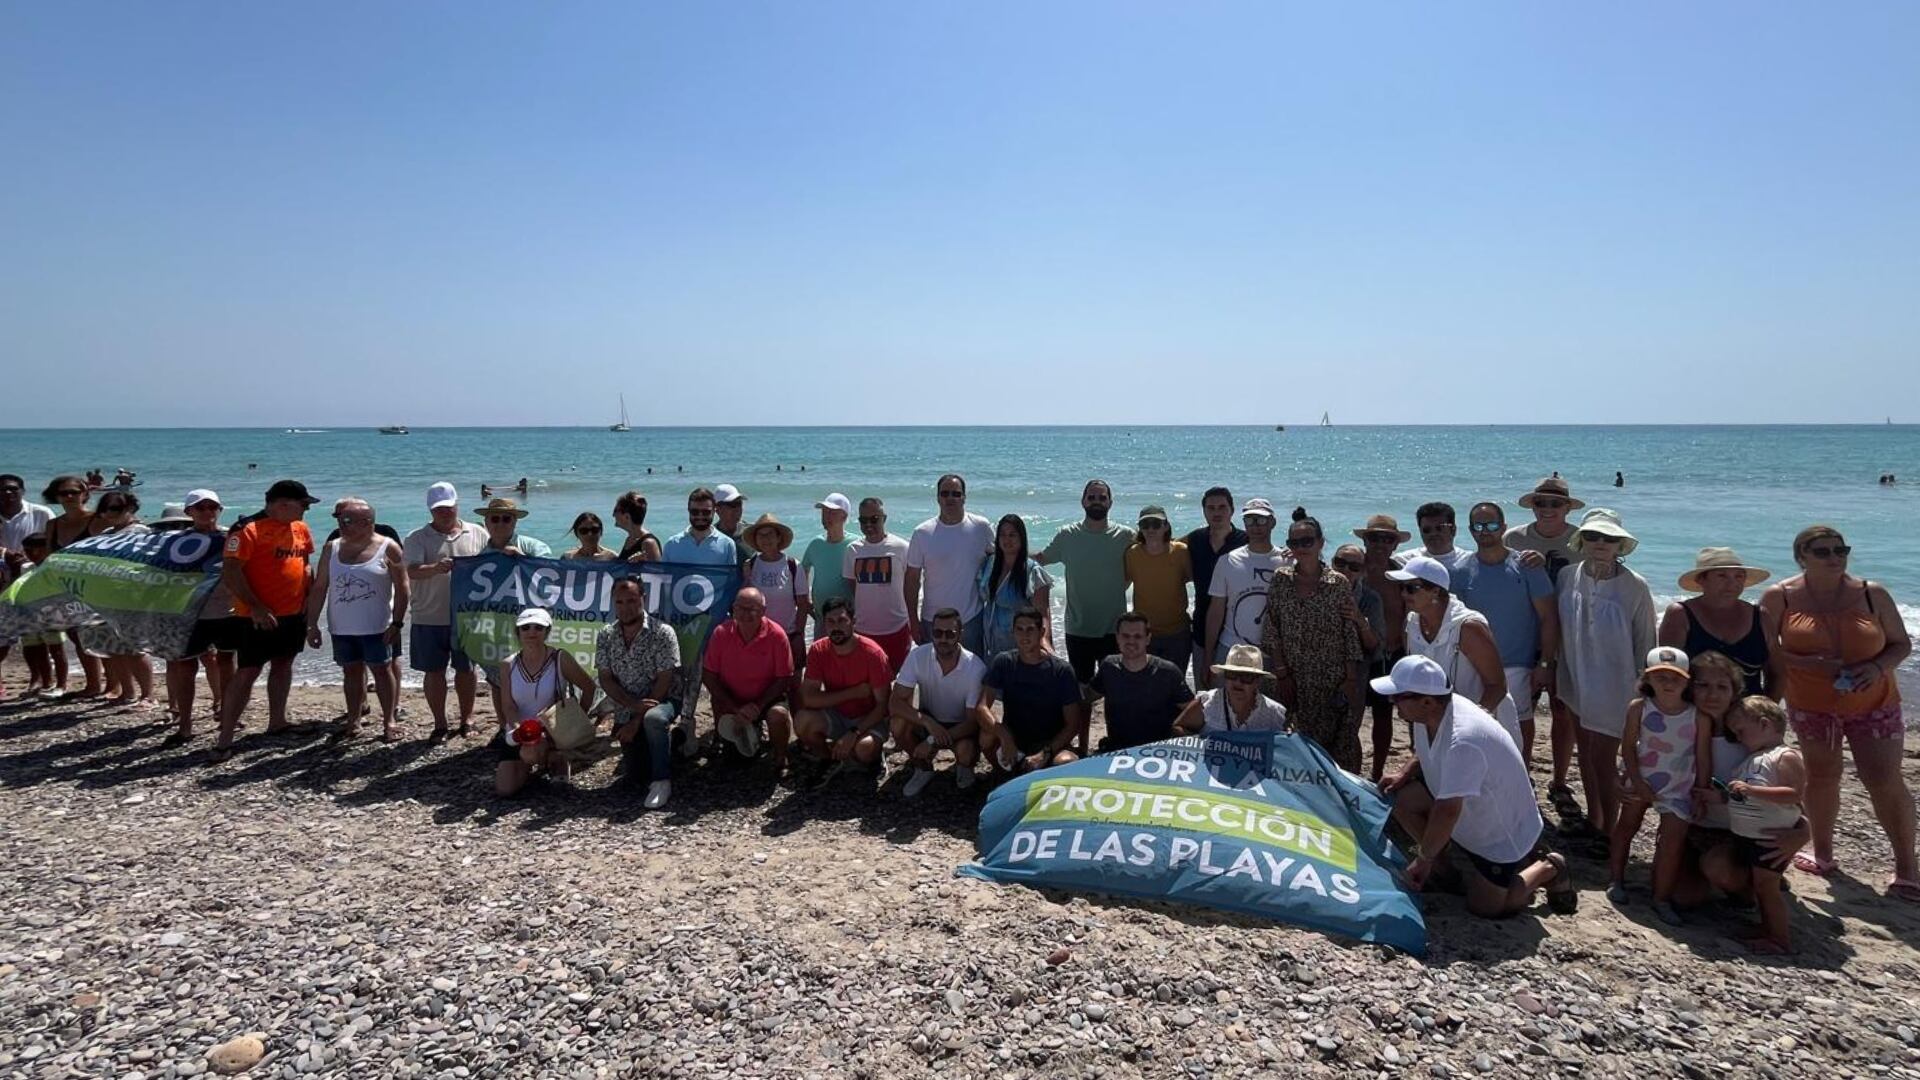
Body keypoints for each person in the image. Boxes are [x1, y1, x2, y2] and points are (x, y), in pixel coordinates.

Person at [1758, 525, 1916, 898]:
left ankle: (1908, 866)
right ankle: (1823, 851)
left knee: (1883, 779)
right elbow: (1766, 650)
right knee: (1822, 775)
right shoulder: (1780, 596)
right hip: (1812, 705)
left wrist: (1876, 668)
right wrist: (1806, 664)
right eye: (1823, 551)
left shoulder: (1871, 593)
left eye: (1840, 549)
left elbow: (1900, 644)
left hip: (1874, 702)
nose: (1835, 557)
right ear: (1802, 557)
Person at [1375, 655, 1577, 918]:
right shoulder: (1435, 711)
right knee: (1400, 797)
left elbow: (1448, 810)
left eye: (1397, 697)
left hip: (1498, 831)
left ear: (1426, 701)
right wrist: (1405, 772)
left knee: (1486, 908)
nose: (1392, 703)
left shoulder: (1464, 739)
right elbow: (1430, 751)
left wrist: (1422, 860)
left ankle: (1548, 867)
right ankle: (1445, 870)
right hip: (1466, 810)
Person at [1556, 508, 1657, 836]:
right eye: (1593, 536)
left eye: (1609, 538)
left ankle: (1610, 830)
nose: (1601, 542)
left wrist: (1645, 687)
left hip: (1616, 685)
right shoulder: (1567, 576)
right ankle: (1595, 818)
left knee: (1603, 758)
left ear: (1620, 545)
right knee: (1584, 753)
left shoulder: (1635, 586)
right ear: (1581, 540)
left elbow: (1646, 641)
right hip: (1575, 677)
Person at [212, 480, 320, 763]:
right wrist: (256, 606)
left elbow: (305, 562)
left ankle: (277, 721)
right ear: (282, 504)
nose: (306, 510)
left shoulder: (300, 528)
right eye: (303, 504)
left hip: (293, 612)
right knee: (248, 670)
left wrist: (310, 594)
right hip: (255, 617)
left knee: (284, 663)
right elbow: (232, 571)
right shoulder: (247, 530)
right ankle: (225, 738)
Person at [1452, 501, 1559, 761]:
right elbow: (1453, 623)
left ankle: (1523, 773)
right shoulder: (1459, 571)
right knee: (1476, 725)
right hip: (1472, 666)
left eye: (1491, 525)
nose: (1485, 531)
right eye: (1478, 525)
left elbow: (1548, 617)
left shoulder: (1527, 566)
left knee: (1520, 725)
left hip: (1517, 666)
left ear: (1503, 527)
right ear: (1470, 530)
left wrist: (1545, 663)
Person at [1606, 647, 1702, 926]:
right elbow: (1628, 746)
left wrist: (1701, 788)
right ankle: (1616, 879)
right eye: (1660, 677)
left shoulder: (1697, 715)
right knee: (1627, 827)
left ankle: (1661, 897)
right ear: (1647, 679)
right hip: (1642, 777)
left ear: (1687, 681)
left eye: (1675, 678)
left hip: (1679, 785)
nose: (1668, 683)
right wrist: (1635, 780)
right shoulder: (1639, 708)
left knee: (1672, 841)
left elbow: (1702, 755)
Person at [1261, 511, 1364, 769]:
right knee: (1292, 748)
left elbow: (1348, 632)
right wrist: (1282, 673)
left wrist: (1350, 680)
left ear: (1320, 543)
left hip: (1331, 679)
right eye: (1295, 543)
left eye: (1307, 541)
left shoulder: (1338, 583)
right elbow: (1272, 629)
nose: (1301, 548)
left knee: (1337, 750)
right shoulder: (1281, 580)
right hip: (1291, 678)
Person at [1507, 476, 1585, 805]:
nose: (1548, 509)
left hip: (1568, 635)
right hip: (1525, 634)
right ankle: (1517, 772)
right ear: (1533, 506)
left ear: (1568, 507)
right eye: (1541, 503)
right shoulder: (1514, 537)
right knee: (1518, 709)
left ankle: (1559, 779)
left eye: (1555, 503)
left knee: (1561, 709)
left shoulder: (1581, 540)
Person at [305, 498, 408, 742]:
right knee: (351, 672)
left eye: (348, 520)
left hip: (376, 626)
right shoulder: (332, 548)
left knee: (382, 671)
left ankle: (389, 720)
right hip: (342, 628)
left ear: (368, 522)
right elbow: (320, 587)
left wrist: (397, 623)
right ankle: (353, 720)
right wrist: (311, 624)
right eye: (341, 519)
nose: (342, 524)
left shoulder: (388, 547)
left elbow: (403, 588)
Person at [1395, 554, 1522, 748]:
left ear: (1435, 591)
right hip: (1434, 726)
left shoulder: (1468, 628)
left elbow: (1497, 686)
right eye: (1401, 588)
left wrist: (1469, 727)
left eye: (1411, 588)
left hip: (1483, 728)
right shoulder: (1410, 624)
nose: (1404, 594)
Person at [403, 482, 490, 739]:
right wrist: (435, 568)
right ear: (431, 510)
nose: (444, 513)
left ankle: (467, 719)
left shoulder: (478, 532)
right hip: (429, 615)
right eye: (438, 509)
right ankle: (440, 723)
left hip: (467, 616)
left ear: (456, 505)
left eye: (448, 508)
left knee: (466, 669)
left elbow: (490, 564)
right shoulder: (416, 538)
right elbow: (410, 571)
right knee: (434, 671)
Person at [1721, 696, 1807, 952]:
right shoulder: (1752, 759)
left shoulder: (1784, 756)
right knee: (1760, 886)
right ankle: (1768, 927)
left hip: (1772, 838)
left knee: (1767, 887)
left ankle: (1780, 938)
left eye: (1741, 731)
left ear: (1765, 724)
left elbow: (1793, 794)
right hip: (1749, 836)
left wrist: (1752, 791)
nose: (1738, 738)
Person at [1036, 479, 1135, 693]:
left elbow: (1151, 554)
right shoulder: (1067, 535)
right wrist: (1003, 552)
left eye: (1102, 497)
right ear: (1083, 502)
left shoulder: (1126, 536)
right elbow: (1041, 559)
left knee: (1115, 691)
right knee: (1081, 691)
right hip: (1078, 628)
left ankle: (1115, 729)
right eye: (1092, 497)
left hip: (1114, 629)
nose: (1096, 502)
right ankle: (1081, 729)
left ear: (1111, 503)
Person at [491, 608, 597, 796]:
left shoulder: (560, 658)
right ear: (518, 632)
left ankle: (556, 756)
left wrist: (574, 723)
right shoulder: (508, 664)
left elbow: (589, 687)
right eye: (526, 627)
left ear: (547, 632)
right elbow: (508, 705)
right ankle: (538, 762)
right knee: (505, 790)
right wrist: (519, 730)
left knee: (531, 754)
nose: (532, 632)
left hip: (551, 731)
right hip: (520, 732)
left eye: (538, 627)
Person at [597, 577, 683, 808]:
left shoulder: (663, 632)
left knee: (653, 720)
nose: (626, 607)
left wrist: (637, 719)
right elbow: (605, 678)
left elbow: (665, 681)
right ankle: (674, 744)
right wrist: (632, 707)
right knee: (636, 773)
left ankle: (662, 782)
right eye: (620, 602)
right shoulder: (606, 634)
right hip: (628, 705)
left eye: (632, 600)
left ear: (643, 599)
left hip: (663, 700)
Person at [890, 607, 990, 796]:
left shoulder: (975, 667)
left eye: (950, 634)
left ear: (960, 634)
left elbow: (972, 721)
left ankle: (963, 767)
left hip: (960, 727)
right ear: (931, 633)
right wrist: (928, 723)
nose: (943, 639)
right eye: (937, 633)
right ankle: (923, 768)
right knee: (897, 723)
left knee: (966, 751)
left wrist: (932, 740)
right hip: (929, 718)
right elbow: (895, 703)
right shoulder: (917, 656)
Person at [164, 491, 239, 743]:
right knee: (186, 666)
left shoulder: (232, 536)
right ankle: (185, 723)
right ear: (189, 512)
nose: (207, 512)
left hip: (226, 611)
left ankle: (227, 715)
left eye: (212, 507)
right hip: (190, 613)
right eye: (200, 508)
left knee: (227, 662)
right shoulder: (177, 541)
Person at [1659, 547, 1777, 698]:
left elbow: (1776, 673)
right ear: (1701, 579)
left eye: (1739, 576)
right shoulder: (1680, 615)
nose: (1732, 583)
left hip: (1748, 715)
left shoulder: (1760, 616)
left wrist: (1766, 708)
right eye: (1722, 576)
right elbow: (1667, 671)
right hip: (1695, 713)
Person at [702, 587, 796, 773]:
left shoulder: (777, 635)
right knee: (735, 763)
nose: (745, 614)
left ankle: (780, 756)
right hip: (732, 700)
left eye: (752, 609)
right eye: (740, 608)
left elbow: (784, 678)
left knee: (778, 715)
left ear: (763, 611)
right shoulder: (720, 633)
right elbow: (709, 676)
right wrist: (735, 707)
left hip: (766, 699)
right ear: (733, 609)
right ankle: (724, 740)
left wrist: (758, 706)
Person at [979, 607, 1082, 773]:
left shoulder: (1061, 670)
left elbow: (1073, 725)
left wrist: (1045, 753)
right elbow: (981, 707)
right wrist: (1005, 736)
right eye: (1019, 629)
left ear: (1041, 632)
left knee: (1066, 761)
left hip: (1049, 742)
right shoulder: (1004, 662)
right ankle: (1004, 775)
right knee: (986, 736)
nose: (1024, 635)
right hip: (1014, 739)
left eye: (1030, 630)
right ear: (1013, 632)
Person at [795, 598, 893, 768]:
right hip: (838, 715)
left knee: (864, 750)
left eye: (842, 621)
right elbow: (809, 698)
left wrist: (855, 733)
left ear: (853, 622)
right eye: (830, 622)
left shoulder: (873, 654)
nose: (836, 627)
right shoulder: (818, 650)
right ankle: (832, 760)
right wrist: (853, 693)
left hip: (868, 719)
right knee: (802, 721)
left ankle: (859, 754)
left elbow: (883, 706)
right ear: (824, 624)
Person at [79, 491, 155, 708]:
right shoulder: (108, 533)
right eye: (105, 509)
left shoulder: (141, 532)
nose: (109, 514)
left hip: (133, 599)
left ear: (130, 508)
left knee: (135, 648)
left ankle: (147, 694)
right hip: (109, 598)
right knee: (114, 648)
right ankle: (127, 692)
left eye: (115, 509)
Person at [903, 474, 993, 652]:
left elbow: (1001, 560)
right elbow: (912, 580)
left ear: (964, 497)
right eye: (945, 494)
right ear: (937, 498)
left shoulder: (981, 527)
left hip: (971, 620)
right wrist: (913, 620)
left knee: (972, 677)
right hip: (933, 622)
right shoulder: (922, 533)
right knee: (933, 677)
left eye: (956, 494)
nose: (950, 498)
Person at [1200, 498, 1285, 687]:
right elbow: (1216, 612)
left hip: (1271, 653)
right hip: (1231, 648)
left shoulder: (1285, 561)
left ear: (1273, 522)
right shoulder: (1228, 561)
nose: (1256, 526)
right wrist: (1208, 657)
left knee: (1268, 712)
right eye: (1250, 520)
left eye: (1261, 520)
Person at [1354, 514, 1412, 781]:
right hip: (1354, 655)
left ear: (1395, 544)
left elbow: (1409, 614)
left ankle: (1376, 771)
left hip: (1389, 655)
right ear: (1365, 540)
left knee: (1383, 715)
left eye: (1387, 538)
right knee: (1349, 714)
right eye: (1374, 537)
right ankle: (1347, 767)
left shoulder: (1402, 576)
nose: (1380, 543)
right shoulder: (1352, 567)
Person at [1090, 612, 1194, 750]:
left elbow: (1193, 712)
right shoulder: (1109, 667)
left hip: (1159, 751)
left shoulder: (1168, 672)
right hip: (1118, 751)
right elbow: (1085, 698)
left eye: (1137, 636)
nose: (1131, 641)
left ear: (1148, 639)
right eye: (1126, 636)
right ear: (1117, 638)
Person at [41, 474, 104, 697]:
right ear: (56, 496)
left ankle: (115, 687)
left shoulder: (97, 519)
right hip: (66, 589)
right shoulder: (53, 524)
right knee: (78, 637)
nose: (69, 496)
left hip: (96, 588)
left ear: (85, 494)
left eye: (74, 492)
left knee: (103, 637)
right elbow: (50, 559)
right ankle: (93, 685)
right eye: (63, 493)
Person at [1182, 487, 1246, 685]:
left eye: (1222, 507)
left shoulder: (1246, 541)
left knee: (1239, 691)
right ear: (1204, 511)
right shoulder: (1194, 540)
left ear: (1232, 510)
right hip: (1202, 627)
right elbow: (1166, 552)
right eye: (1211, 508)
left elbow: (1270, 556)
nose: (1216, 512)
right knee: (1205, 690)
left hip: (1237, 632)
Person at [842, 497, 914, 672]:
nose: (869, 524)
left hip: (897, 628)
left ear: (884, 519)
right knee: (868, 681)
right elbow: (852, 585)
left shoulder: (902, 547)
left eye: (874, 519)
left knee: (898, 682)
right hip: (864, 630)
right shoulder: (852, 550)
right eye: (863, 520)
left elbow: (911, 585)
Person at [1123, 505, 1193, 671]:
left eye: (1156, 523)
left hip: (1178, 632)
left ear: (1166, 526)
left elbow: (1192, 578)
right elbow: (1122, 585)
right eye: (1145, 525)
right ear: (1140, 528)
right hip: (1144, 634)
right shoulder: (1132, 554)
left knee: (1175, 687)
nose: (1150, 529)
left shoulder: (1181, 552)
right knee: (1146, 688)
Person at [977, 514, 1054, 658]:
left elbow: (1042, 613)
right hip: (990, 643)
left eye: (1012, 535)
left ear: (1021, 538)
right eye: (1003, 535)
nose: (1007, 540)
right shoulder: (989, 565)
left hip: (1020, 644)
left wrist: (1044, 641)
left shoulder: (1032, 571)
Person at [743, 513, 811, 676]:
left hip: (788, 633)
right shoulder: (750, 565)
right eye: (761, 535)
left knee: (793, 685)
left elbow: (803, 604)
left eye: (770, 534)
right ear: (756, 539)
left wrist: (798, 635)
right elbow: (745, 602)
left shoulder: (793, 565)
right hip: (759, 635)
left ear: (779, 537)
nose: (766, 539)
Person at [1175, 643, 1289, 734]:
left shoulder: (1275, 714)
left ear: (1257, 681)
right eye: (1232, 675)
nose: (1238, 682)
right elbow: (1177, 728)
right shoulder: (1206, 703)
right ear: (1225, 677)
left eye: (1246, 676)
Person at [800, 494, 856, 640]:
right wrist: (805, 600)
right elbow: (803, 569)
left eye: (832, 512)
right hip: (821, 618)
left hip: (847, 620)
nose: (826, 517)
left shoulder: (855, 545)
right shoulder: (816, 544)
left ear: (844, 517)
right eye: (824, 512)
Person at [662, 488, 738, 567]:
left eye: (706, 512)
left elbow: (730, 578)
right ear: (688, 511)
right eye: (695, 512)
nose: (700, 516)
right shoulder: (672, 545)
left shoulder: (727, 545)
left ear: (714, 511)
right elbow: (663, 578)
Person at [1408, 502, 1474, 576]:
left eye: (1439, 528)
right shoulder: (1406, 561)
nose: (1433, 533)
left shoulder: (1470, 561)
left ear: (1453, 530)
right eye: (1427, 530)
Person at [474, 498, 553, 557]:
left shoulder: (536, 548)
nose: (500, 524)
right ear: (486, 522)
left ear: (515, 521)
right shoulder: (481, 558)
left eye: (506, 519)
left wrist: (523, 559)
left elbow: (551, 572)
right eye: (495, 519)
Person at [612, 490, 662, 562]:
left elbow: (658, 571)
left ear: (627, 516)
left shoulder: (648, 543)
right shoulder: (630, 539)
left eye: (615, 511)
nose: (613, 515)